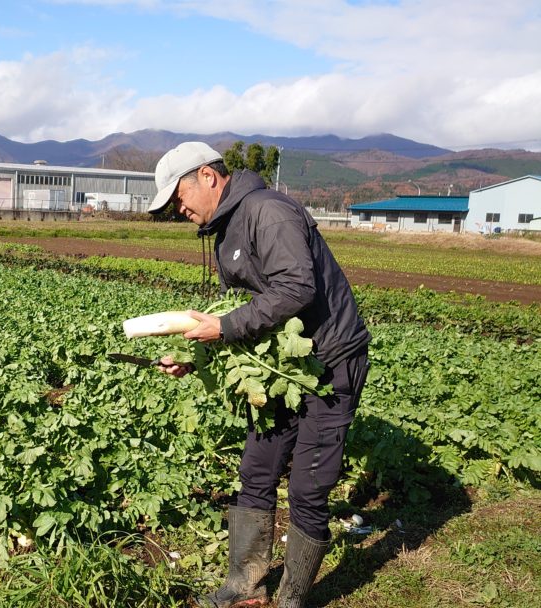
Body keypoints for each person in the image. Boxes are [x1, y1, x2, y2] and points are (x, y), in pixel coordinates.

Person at [147, 142, 371, 608]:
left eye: (179, 197)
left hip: (328, 363)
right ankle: (245, 584)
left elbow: (295, 287)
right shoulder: (225, 228)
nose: (178, 209)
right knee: (257, 470)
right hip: (281, 368)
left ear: (207, 176)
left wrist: (224, 327)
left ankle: (292, 599)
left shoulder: (267, 212)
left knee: (309, 486)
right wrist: (198, 358)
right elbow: (243, 315)